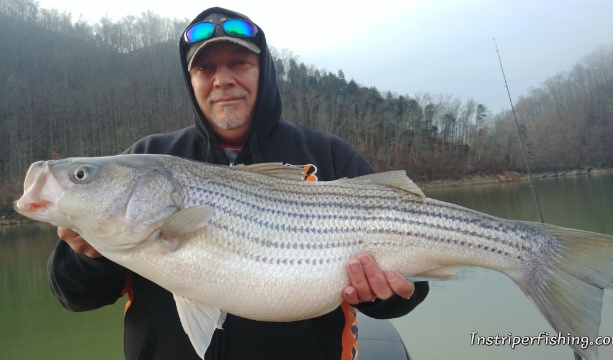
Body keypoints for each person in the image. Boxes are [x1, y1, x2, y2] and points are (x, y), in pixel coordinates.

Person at [48, 6, 429, 360]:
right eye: (205, 68)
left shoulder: (329, 155)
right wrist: (89, 256)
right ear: (191, 80)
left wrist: (382, 296)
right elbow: (75, 296)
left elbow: (411, 290)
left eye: (239, 63)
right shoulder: (148, 160)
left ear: (263, 71)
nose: (222, 80)